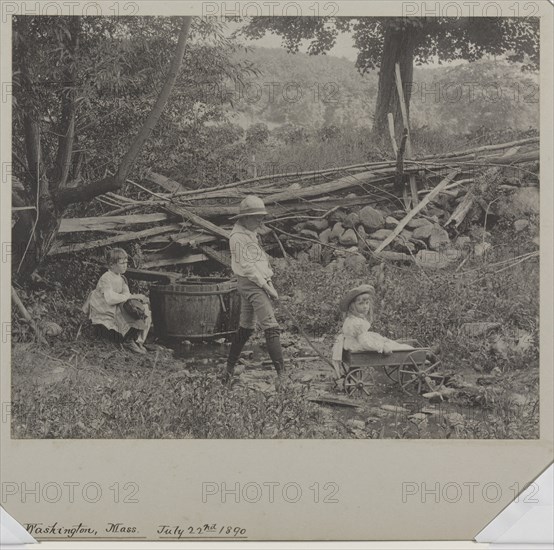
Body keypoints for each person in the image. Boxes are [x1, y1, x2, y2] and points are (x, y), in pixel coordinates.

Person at [222, 195, 285, 386]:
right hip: (250, 284)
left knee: (246, 327)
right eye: (257, 217)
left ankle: (229, 369)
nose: (260, 221)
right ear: (245, 217)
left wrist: (269, 281)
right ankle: (282, 377)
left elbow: (260, 262)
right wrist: (266, 287)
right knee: (271, 326)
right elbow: (248, 268)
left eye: (261, 217)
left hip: (257, 282)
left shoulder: (250, 233)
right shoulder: (237, 238)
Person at [331, 284, 413, 379]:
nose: (365, 306)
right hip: (358, 346)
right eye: (361, 304)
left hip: (352, 344)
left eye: (367, 303)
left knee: (386, 341)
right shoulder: (357, 323)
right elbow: (365, 343)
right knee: (392, 346)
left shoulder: (352, 319)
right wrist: (381, 347)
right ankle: (413, 353)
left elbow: (362, 337)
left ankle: (409, 351)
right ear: (353, 306)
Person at [82, 248, 152, 354]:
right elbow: (109, 298)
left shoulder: (121, 278)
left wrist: (136, 298)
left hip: (116, 304)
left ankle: (137, 340)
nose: (125, 265)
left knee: (142, 308)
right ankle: (127, 340)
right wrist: (129, 297)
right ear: (112, 264)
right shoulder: (106, 278)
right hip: (104, 307)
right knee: (126, 311)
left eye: (126, 263)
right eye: (121, 263)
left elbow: (126, 294)